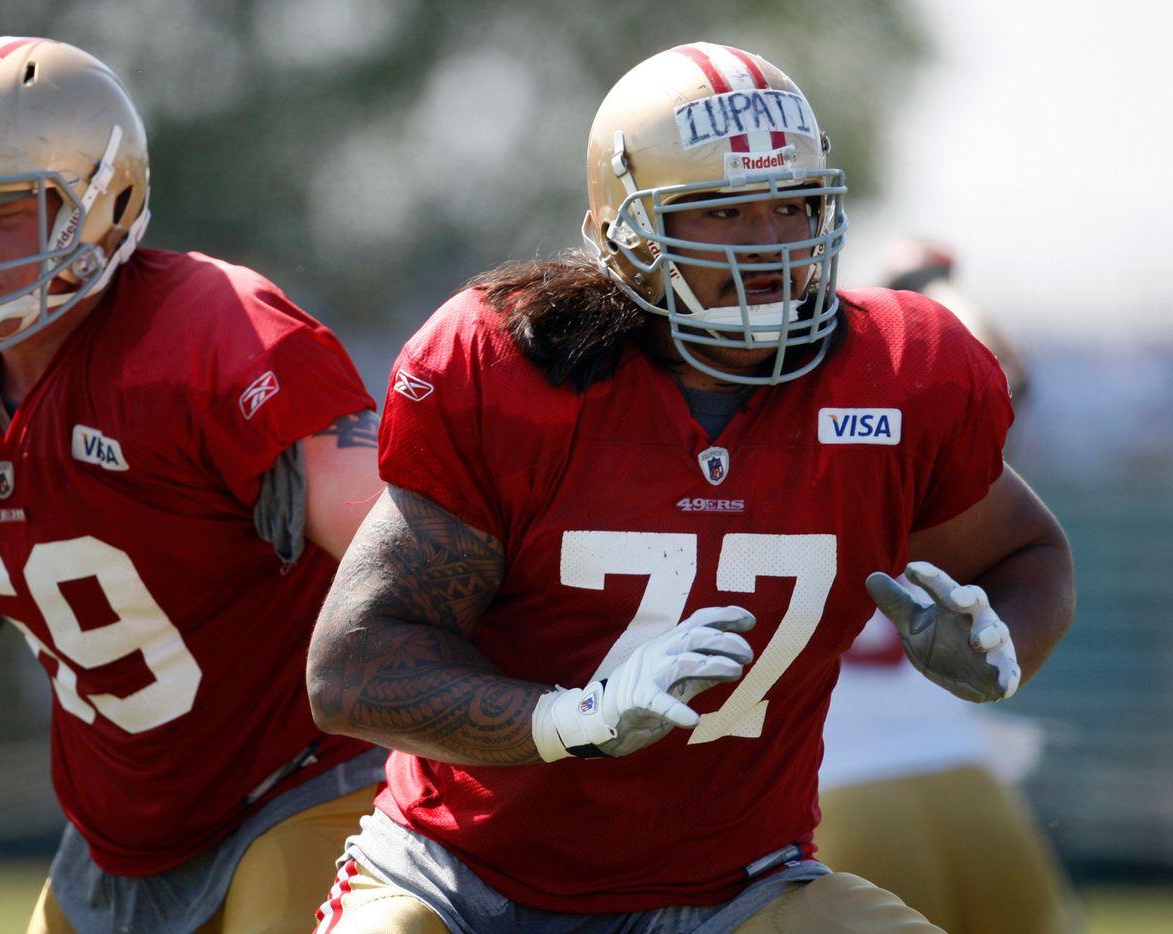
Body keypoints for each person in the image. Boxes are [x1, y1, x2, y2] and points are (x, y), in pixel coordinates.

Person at [305, 41, 1076, 933]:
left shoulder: (899, 375)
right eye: (722, 212)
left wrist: (999, 644)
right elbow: (354, 665)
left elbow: (1027, 553)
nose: (772, 246)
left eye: (794, 205)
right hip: (458, 878)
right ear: (620, 229)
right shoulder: (510, 368)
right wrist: (573, 718)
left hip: (735, 887)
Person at [0, 37, 386, 933]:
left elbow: (403, 548)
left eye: (5, 209)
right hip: (112, 833)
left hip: (305, 781)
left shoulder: (208, 331)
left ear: (102, 199)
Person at [811, 240, 1082, 934]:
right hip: (969, 783)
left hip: (836, 793)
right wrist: (934, 293)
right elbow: (1004, 379)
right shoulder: (915, 457)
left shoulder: (778, 458)